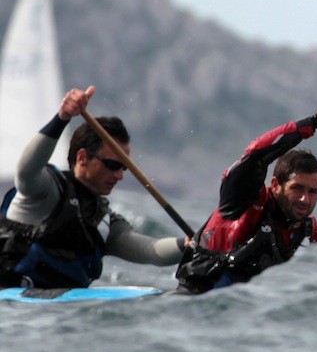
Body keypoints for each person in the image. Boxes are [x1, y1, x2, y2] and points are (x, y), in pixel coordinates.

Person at [0, 85, 187, 288]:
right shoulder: (45, 190)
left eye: (124, 167)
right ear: (82, 158)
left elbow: (151, 250)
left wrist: (188, 245)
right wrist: (61, 118)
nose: (120, 175)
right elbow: (25, 171)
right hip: (13, 310)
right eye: (113, 165)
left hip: (60, 315)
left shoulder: (103, 222)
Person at [174, 95, 317, 293]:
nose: (304, 199)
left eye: (312, 192)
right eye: (296, 188)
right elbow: (256, 153)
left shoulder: (308, 230)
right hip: (195, 304)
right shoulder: (242, 199)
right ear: (275, 185)